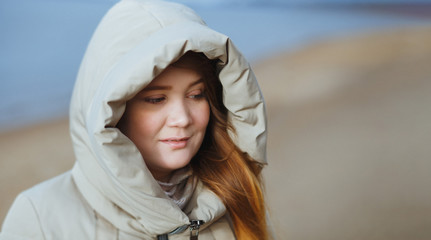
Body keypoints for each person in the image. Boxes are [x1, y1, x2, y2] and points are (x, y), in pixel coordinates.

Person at [0, 0, 270, 239]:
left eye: (196, 94)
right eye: (156, 99)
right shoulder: (40, 219)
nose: (182, 118)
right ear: (114, 110)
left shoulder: (233, 192)